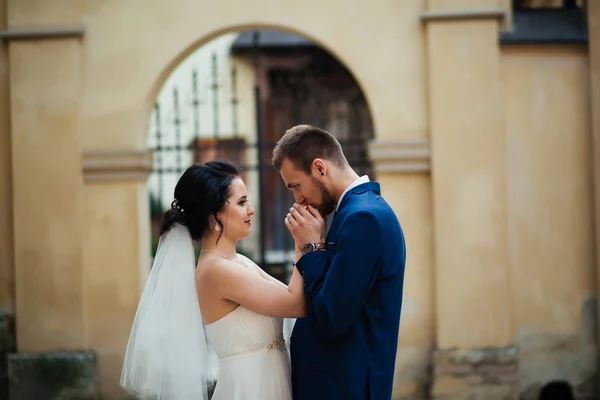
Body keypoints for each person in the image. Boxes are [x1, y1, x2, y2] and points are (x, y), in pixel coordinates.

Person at [120, 160, 307, 399]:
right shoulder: (216, 270)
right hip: (249, 389)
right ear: (213, 216)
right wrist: (304, 244)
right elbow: (295, 304)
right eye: (241, 202)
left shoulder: (238, 261)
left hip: (271, 381)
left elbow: (294, 295)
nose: (251, 210)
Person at [272, 125, 406, 400]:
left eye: (295, 186)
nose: (297, 199)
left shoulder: (363, 218)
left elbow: (333, 317)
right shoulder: (354, 211)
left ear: (320, 168)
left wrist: (312, 248)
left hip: (344, 387)